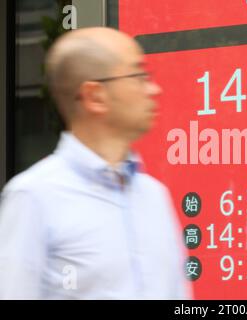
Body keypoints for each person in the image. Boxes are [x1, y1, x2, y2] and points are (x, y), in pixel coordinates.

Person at [0, 27, 192, 299]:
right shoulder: (33, 197)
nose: (153, 88)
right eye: (139, 76)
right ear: (95, 96)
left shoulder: (154, 196)